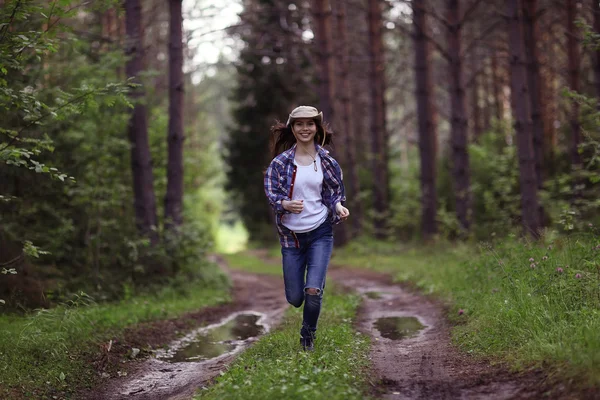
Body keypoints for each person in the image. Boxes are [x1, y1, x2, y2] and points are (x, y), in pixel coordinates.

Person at [264, 105, 350, 351]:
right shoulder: (280, 163)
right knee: (295, 298)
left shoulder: (327, 161)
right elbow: (271, 193)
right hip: (291, 238)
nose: (305, 128)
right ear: (292, 128)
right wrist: (284, 204)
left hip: (320, 231)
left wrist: (339, 207)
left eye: (310, 123)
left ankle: (307, 336)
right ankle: (304, 319)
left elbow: (335, 193)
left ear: (317, 128)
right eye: (299, 124)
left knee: (313, 289)